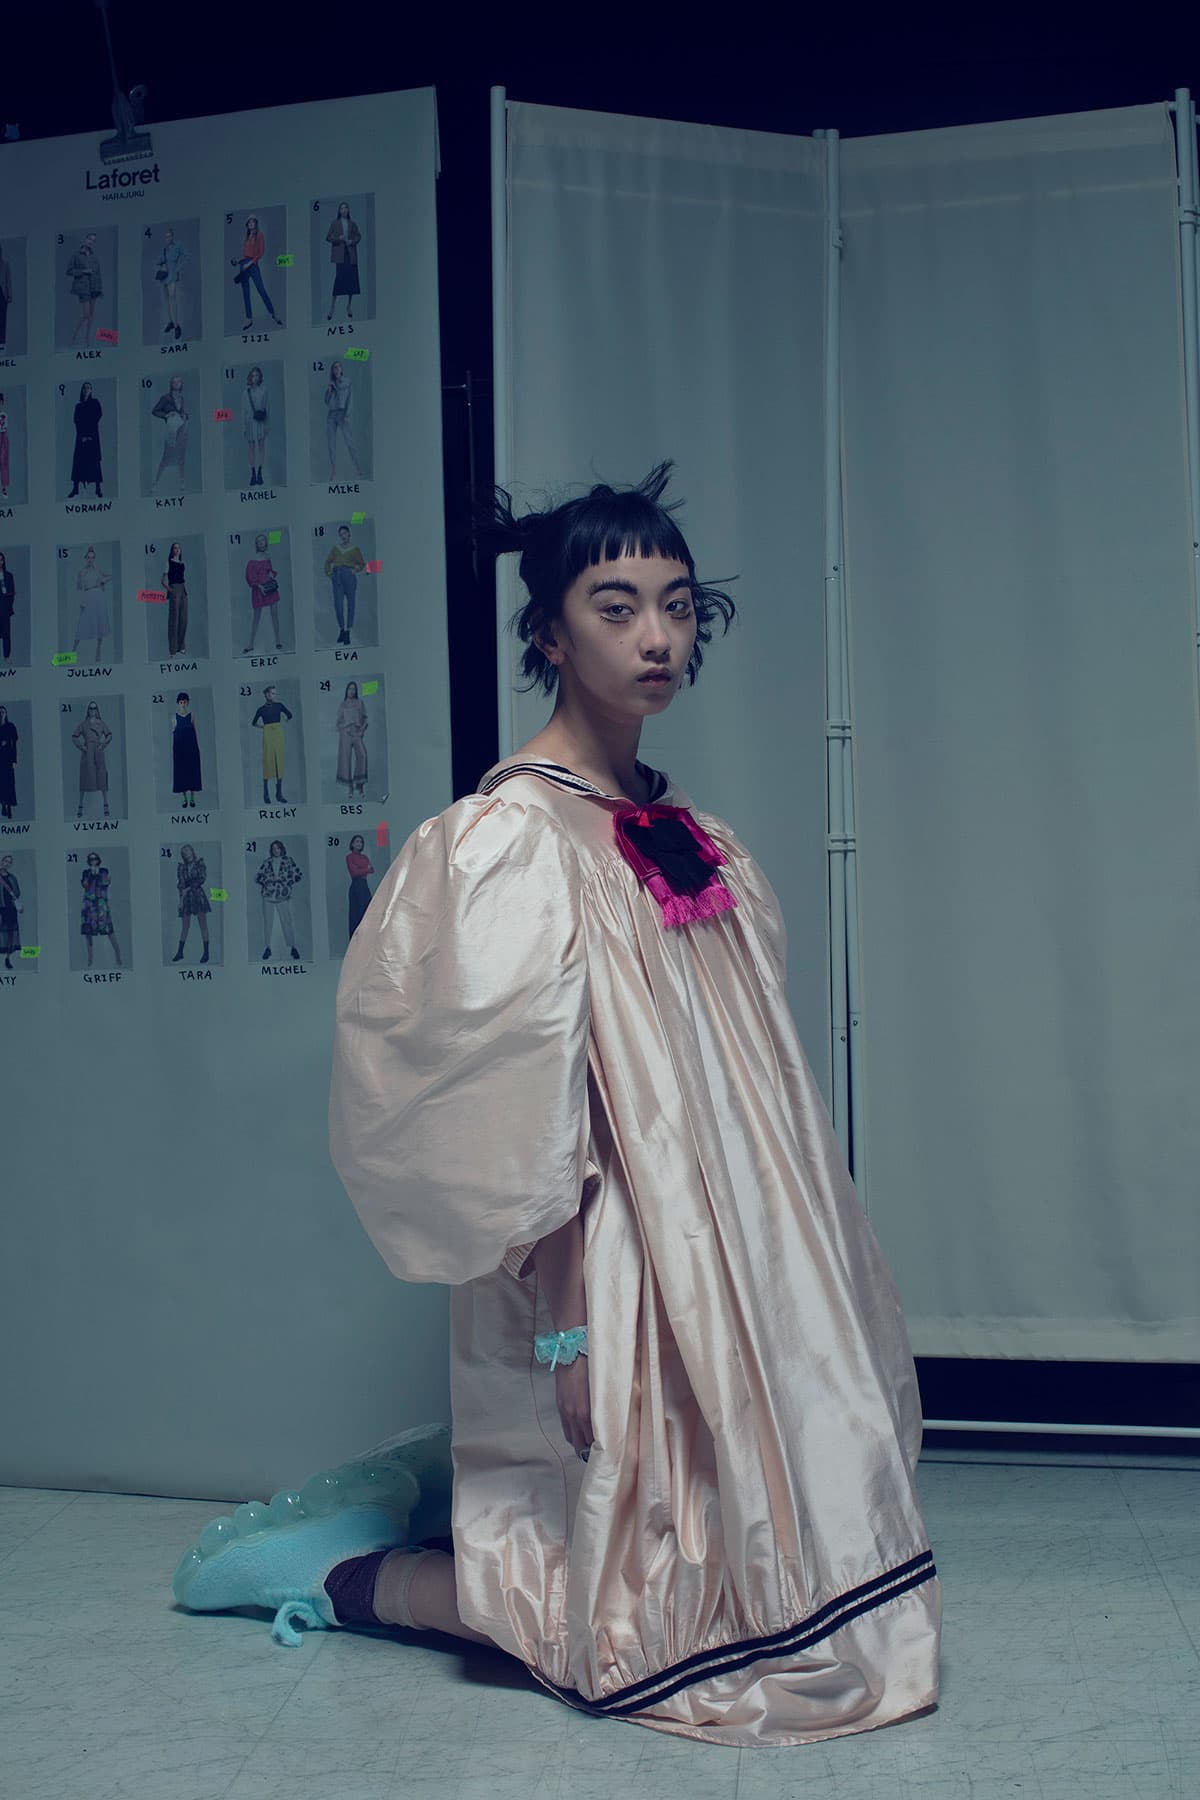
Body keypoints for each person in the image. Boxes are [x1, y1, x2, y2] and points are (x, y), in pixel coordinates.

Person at [174, 463, 942, 1749]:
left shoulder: (690, 830)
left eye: (677, 605)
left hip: (733, 1247)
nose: (656, 636)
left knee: (781, 1584)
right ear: (548, 634)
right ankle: (327, 1570)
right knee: (638, 1632)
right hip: (608, 1253)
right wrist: (570, 1334)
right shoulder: (508, 838)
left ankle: (428, 1517)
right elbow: (523, 1107)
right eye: (616, 605)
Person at [230, 216, 282, 331]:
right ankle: (249, 319)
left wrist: (250, 263)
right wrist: (238, 260)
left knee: (261, 290)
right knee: (245, 293)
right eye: (249, 222)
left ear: (256, 224)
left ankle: (273, 313)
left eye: (252, 222)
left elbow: (260, 253)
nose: (251, 224)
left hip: (252, 265)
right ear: (247, 225)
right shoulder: (247, 236)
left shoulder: (259, 235)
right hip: (243, 264)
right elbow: (246, 255)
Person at [255, 838, 302, 960]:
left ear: (282, 849)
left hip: (282, 895)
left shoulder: (288, 861)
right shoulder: (267, 862)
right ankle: (268, 948)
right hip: (268, 896)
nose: (275, 850)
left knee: (287, 921)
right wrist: (269, 880)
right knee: (268, 923)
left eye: (278, 848)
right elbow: (258, 877)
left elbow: (298, 875)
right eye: (273, 848)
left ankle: (293, 948)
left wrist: (285, 883)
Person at [322, 524, 367, 645]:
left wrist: (355, 570)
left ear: (349, 534)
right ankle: (342, 629)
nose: (343, 536)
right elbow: (327, 562)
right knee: (338, 605)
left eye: (345, 533)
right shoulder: (336, 548)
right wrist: (329, 573)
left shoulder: (355, 549)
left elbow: (362, 563)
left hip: (349, 576)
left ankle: (348, 631)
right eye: (341, 534)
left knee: (351, 604)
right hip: (337, 577)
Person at [251, 684, 292, 805]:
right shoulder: (261, 709)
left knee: (279, 760)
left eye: (275, 693)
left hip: (278, 734)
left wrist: (282, 723)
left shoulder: (279, 706)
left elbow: (289, 715)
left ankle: (279, 794)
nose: (274, 695)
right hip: (268, 734)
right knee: (268, 761)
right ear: (266, 694)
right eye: (272, 693)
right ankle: (266, 794)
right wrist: (263, 727)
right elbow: (253, 723)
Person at [80, 850, 122, 968]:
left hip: (101, 904)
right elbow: (84, 885)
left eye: (95, 858)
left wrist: (98, 875)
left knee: (109, 931)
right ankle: (90, 959)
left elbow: (105, 883)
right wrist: (90, 875)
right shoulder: (86, 872)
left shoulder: (104, 871)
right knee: (88, 932)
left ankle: (118, 956)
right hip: (89, 905)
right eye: (91, 859)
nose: (93, 861)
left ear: (98, 860)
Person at [71, 546, 112, 666]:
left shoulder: (98, 570)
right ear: (85, 559)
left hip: (99, 597)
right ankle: (72, 652)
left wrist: (103, 581)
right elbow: (80, 588)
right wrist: (82, 601)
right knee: (82, 624)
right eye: (88, 557)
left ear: (94, 559)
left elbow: (110, 575)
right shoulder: (82, 572)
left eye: (92, 557)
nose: (90, 560)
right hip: (88, 597)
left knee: (100, 623)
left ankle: (98, 650)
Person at [243, 531, 283, 654]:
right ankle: (250, 644)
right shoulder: (252, 559)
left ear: (266, 542)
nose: (261, 543)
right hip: (258, 589)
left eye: (263, 540)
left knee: (274, 613)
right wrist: (258, 585)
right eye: (258, 541)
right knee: (256, 617)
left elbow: (269, 571)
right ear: (256, 544)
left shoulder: (267, 556)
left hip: (270, 587)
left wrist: (271, 574)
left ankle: (278, 641)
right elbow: (249, 576)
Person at [72, 700, 112, 820]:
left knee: (102, 777)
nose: (92, 710)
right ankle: (80, 806)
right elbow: (74, 736)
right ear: (88, 710)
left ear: (97, 710)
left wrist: (103, 744)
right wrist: (82, 747)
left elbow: (109, 734)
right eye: (90, 708)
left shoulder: (101, 723)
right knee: (85, 778)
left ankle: (106, 804)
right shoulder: (83, 724)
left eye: (94, 708)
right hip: (87, 752)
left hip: (98, 752)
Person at [323, 359, 361, 483]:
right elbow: (326, 401)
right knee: (331, 443)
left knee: (349, 441)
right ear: (332, 370)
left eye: (338, 366)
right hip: (331, 415)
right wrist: (329, 390)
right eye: (334, 367)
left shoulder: (347, 382)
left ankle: (357, 467)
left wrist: (347, 414)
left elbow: (350, 398)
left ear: (342, 369)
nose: (337, 369)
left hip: (342, 413)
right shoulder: (331, 383)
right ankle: (333, 470)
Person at [171, 843, 210, 965]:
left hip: (198, 895)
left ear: (192, 851)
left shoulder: (200, 864)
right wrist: (180, 901)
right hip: (186, 898)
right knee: (185, 926)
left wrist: (188, 889)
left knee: (203, 925)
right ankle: (180, 952)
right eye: (184, 852)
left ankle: (206, 952)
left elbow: (201, 879)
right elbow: (181, 885)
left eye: (188, 850)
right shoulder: (181, 868)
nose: (187, 853)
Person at [151, 375, 188, 493]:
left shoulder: (181, 398)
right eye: (175, 382)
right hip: (171, 431)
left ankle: (182, 482)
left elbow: (183, 412)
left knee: (181, 457)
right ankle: (155, 483)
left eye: (179, 382)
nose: (177, 384)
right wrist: (166, 415)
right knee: (166, 457)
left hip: (181, 429)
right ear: (171, 384)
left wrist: (184, 416)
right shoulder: (165, 398)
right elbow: (155, 411)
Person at [325, 201, 361, 322]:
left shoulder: (352, 223)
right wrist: (338, 238)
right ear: (339, 211)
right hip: (340, 255)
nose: (344, 210)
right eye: (342, 208)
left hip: (350, 254)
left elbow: (358, 236)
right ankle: (332, 307)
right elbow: (328, 237)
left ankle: (349, 306)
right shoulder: (334, 223)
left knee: (351, 280)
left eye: (346, 208)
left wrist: (352, 241)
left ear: (348, 210)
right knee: (339, 279)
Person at [68, 381, 103, 500]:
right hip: (81, 437)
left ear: (91, 390)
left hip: (93, 437)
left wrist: (89, 434)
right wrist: (82, 435)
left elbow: (97, 416)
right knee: (78, 462)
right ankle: (76, 488)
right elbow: (76, 421)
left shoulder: (95, 403)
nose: (86, 390)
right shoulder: (78, 406)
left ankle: (98, 488)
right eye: (84, 388)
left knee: (95, 462)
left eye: (88, 388)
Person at [66, 231, 102, 346]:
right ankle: (74, 336)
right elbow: (69, 271)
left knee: (91, 315)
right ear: (85, 239)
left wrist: (99, 289)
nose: (91, 242)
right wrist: (83, 271)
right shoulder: (76, 255)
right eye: (90, 239)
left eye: (93, 240)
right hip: (83, 287)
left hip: (94, 287)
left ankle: (87, 339)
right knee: (86, 315)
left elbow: (98, 274)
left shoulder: (94, 256)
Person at [334, 680, 367, 798]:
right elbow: (337, 724)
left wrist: (361, 731)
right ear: (346, 690)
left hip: (356, 733)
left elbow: (365, 719)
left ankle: (360, 785)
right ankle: (350, 788)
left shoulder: (360, 703)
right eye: (350, 689)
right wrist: (346, 724)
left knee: (362, 755)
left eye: (354, 689)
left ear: (356, 691)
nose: (351, 691)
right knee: (345, 760)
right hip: (345, 734)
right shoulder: (342, 705)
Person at [155, 226, 188, 341]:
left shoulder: (178, 246)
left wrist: (178, 268)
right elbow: (159, 260)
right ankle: (171, 322)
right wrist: (161, 262)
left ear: (172, 236)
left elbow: (186, 257)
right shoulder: (164, 249)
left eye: (169, 236)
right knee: (166, 301)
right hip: (164, 277)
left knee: (172, 299)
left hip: (172, 276)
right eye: (166, 237)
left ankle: (177, 326)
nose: (167, 238)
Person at [241, 366, 270, 491]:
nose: (255, 378)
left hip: (260, 422)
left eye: (257, 375)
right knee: (251, 448)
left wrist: (267, 424)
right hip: (250, 422)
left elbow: (267, 408)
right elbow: (243, 411)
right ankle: (253, 473)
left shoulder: (264, 390)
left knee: (262, 446)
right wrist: (243, 427)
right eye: (253, 375)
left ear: (260, 377)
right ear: (250, 377)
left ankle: (260, 472)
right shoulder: (245, 393)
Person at [171, 692, 202, 809]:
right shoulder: (174, 717)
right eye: (181, 702)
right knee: (181, 772)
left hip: (191, 748)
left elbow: (194, 730)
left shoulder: (192, 715)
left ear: (187, 702)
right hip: (180, 749)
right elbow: (174, 733)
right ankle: (184, 799)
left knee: (192, 770)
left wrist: (197, 746)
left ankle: (192, 798)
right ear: (178, 703)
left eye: (184, 702)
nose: (183, 704)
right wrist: (175, 750)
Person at [344, 833, 373, 942]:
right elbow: (354, 872)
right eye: (356, 841)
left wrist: (361, 869)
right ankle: (355, 943)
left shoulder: (365, 857)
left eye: (360, 842)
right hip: (356, 887)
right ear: (352, 844)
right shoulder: (349, 857)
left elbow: (372, 869)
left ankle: (367, 942)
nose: (359, 844)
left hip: (364, 887)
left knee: (367, 913)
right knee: (356, 916)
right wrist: (365, 869)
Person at [162, 543, 188, 659]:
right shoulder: (168, 563)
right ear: (172, 550)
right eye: (175, 548)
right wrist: (170, 590)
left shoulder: (182, 564)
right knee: (174, 620)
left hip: (183, 590)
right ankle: (172, 649)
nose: (177, 550)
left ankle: (181, 646)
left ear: (180, 550)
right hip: (174, 590)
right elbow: (163, 581)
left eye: (178, 548)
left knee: (184, 619)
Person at [0, 853, 21, 970]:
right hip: (0, 908)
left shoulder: (12, 878)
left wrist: (13, 895)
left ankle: (7, 958)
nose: (7, 863)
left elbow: (17, 892)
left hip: (10, 909)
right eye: (5, 861)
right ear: (1, 861)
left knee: (10, 933)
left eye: (9, 862)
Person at [0, 703, 16, 818]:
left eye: (3, 712)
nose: (1, 714)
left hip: (8, 760)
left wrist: (14, 760)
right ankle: (3, 806)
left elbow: (14, 745)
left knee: (9, 783)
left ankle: (9, 807)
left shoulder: (10, 727)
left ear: (6, 714)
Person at [0, 551, 13, 661]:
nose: (0, 562)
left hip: (5, 607)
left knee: (6, 633)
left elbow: (12, 592)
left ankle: (7, 656)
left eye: (1, 560)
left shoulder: (9, 576)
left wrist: (8, 605)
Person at [0, 243, 12, 353]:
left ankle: (2, 343)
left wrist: (10, 295)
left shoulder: (6, 264)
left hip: (2, 294)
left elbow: (8, 280)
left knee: (3, 319)